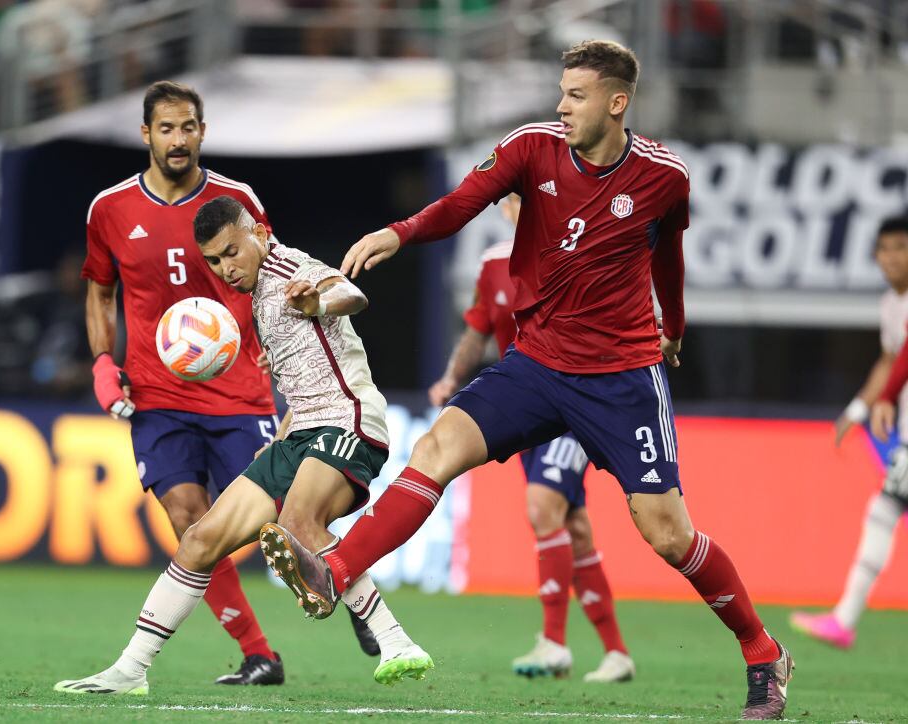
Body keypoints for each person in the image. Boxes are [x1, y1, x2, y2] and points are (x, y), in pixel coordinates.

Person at [261, 40, 794, 720]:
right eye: (561, 91)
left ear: (616, 102)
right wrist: (400, 233)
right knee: (436, 452)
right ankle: (332, 574)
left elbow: (669, 256)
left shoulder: (663, 175)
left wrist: (675, 326)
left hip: (622, 373)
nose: (561, 105)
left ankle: (761, 650)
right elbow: (462, 203)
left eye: (576, 95)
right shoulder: (531, 149)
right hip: (537, 364)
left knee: (667, 534)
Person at [54, 196, 432, 695]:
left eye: (232, 251)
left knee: (298, 523)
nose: (225, 268)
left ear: (255, 231)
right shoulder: (255, 299)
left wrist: (319, 299)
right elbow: (302, 384)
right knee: (199, 540)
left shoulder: (289, 265)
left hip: (349, 422)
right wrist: (275, 444)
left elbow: (350, 295)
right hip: (298, 434)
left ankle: (395, 640)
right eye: (213, 261)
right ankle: (131, 669)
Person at [78, 80, 374, 687]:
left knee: (291, 518)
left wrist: (271, 343)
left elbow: (270, 273)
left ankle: (351, 587)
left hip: (239, 393)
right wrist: (104, 363)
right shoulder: (110, 209)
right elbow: (99, 291)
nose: (179, 139)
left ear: (203, 132)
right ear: (146, 135)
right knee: (190, 521)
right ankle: (259, 653)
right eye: (167, 129)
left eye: (189, 127)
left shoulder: (236, 201)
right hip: (157, 394)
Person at [429, 192, 633, 682]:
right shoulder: (494, 265)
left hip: (575, 405)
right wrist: (450, 379)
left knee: (542, 506)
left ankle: (554, 644)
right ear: (506, 209)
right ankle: (617, 653)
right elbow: (477, 330)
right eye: (523, 200)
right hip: (526, 409)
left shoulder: (578, 254)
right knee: (574, 526)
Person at [792, 217, 908, 648]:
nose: (891, 257)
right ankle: (844, 619)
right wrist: (861, 406)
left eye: (900, 247)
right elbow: (891, 358)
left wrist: (885, 399)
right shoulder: (892, 304)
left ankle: (844, 619)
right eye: (884, 248)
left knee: (884, 510)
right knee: (884, 510)